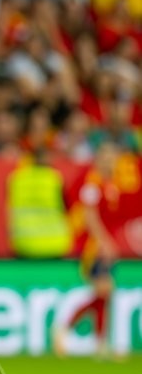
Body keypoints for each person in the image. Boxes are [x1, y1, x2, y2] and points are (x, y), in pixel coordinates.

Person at [54, 142, 122, 358]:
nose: (110, 162)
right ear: (98, 159)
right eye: (106, 158)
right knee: (104, 290)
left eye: (113, 158)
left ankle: (99, 344)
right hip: (92, 248)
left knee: (103, 294)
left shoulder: (110, 184)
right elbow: (90, 216)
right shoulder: (92, 184)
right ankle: (66, 328)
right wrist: (104, 242)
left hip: (102, 245)